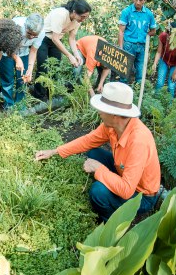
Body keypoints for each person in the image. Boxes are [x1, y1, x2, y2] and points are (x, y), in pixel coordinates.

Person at [35, 82, 161, 222]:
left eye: (102, 109)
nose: (99, 112)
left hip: (141, 196)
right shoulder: (113, 126)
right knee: (93, 153)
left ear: (114, 115)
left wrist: (98, 168)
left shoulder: (138, 141)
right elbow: (87, 141)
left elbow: (126, 190)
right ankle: (110, 187)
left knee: (98, 192)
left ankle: (110, 222)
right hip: (123, 172)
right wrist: (54, 151)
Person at [33, 0, 92, 100]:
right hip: (44, 38)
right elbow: (54, 38)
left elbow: (71, 38)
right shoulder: (61, 14)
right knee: (43, 67)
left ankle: (50, 92)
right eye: (82, 16)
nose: (83, 19)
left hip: (56, 41)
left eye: (85, 17)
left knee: (55, 67)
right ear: (74, 12)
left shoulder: (77, 21)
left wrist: (76, 55)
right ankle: (39, 94)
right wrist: (70, 56)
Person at [0, 14, 44, 108]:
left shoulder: (42, 33)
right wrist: (16, 58)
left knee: (23, 78)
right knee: (8, 79)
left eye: (34, 36)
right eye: (29, 33)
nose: (31, 37)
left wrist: (30, 68)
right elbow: (6, 45)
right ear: (25, 26)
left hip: (24, 52)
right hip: (7, 52)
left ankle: (20, 104)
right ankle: (8, 105)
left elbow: (33, 51)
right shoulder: (15, 26)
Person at [118, 0, 157, 83]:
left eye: (140, 0)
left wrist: (145, 35)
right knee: (124, 72)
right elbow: (121, 31)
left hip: (142, 46)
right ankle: (122, 94)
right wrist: (121, 48)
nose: (138, 2)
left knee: (140, 73)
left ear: (144, 0)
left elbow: (153, 31)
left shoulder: (149, 14)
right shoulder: (126, 12)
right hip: (128, 45)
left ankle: (138, 94)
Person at [152, 21, 176, 97]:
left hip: (175, 64)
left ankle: (169, 106)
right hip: (164, 61)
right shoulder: (163, 36)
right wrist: (155, 63)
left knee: (171, 86)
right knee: (160, 83)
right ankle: (156, 100)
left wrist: (174, 73)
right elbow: (159, 52)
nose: (169, 36)